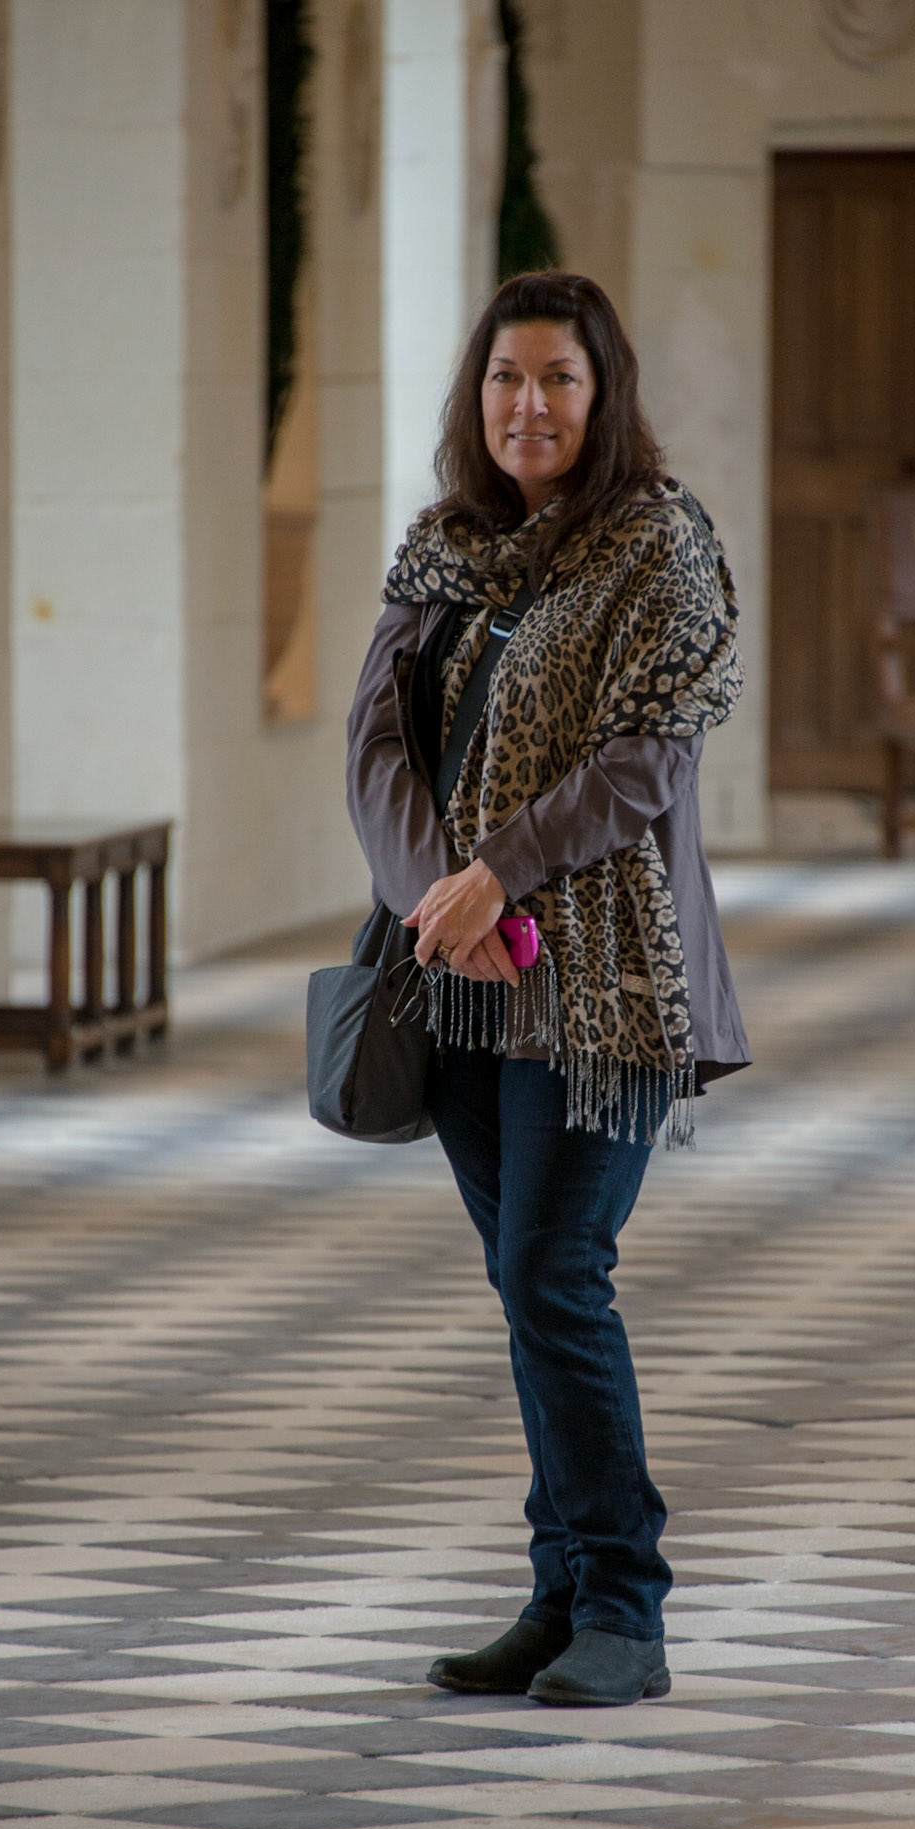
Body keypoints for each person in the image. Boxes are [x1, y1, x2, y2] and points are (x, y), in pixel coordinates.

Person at [345, 271, 749, 1707]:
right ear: (477, 396)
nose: (528, 405)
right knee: (530, 1289)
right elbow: (375, 747)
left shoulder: (661, 549)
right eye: (506, 378)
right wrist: (436, 898)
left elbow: (646, 760)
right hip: (459, 984)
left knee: (552, 1273)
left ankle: (626, 1608)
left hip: (603, 987)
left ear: (603, 393)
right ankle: (561, 1593)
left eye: (558, 379)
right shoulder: (441, 552)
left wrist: (498, 874)